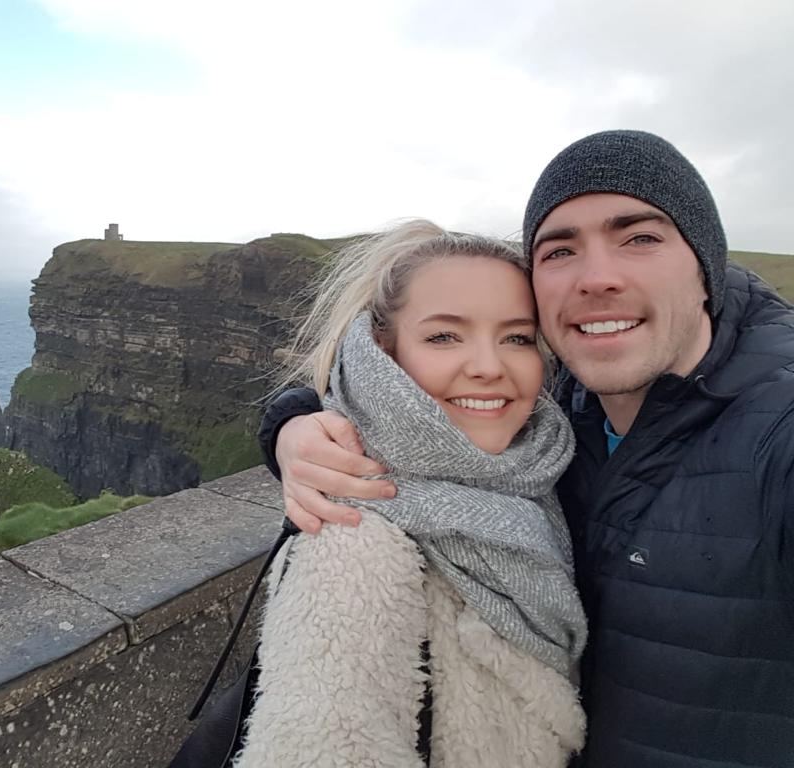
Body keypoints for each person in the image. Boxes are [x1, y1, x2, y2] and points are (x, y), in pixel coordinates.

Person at [260, 130, 794, 767]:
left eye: (641, 238)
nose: (597, 278)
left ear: (705, 266)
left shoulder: (773, 429)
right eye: (560, 249)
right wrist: (293, 424)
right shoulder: (558, 420)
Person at [236, 221, 587, 767]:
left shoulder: (539, 468)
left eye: (516, 337)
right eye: (444, 336)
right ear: (381, 351)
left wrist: (287, 421)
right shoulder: (354, 547)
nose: (490, 367)